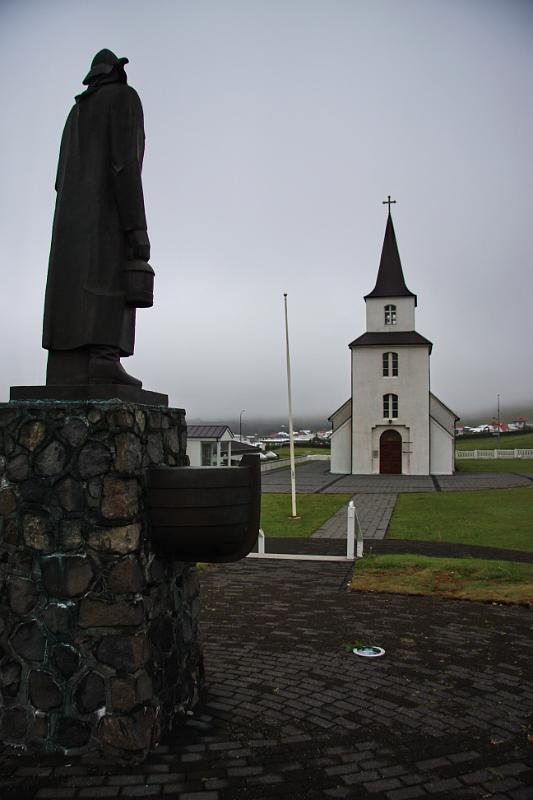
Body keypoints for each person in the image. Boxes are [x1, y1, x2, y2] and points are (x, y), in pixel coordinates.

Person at [42, 49, 150, 386]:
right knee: (109, 278)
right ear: (117, 73)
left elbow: (60, 180)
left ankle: (67, 364)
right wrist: (136, 227)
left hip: (71, 222)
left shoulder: (75, 114)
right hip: (107, 215)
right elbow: (124, 165)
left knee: (74, 283)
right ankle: (102, 358)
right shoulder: (123, 98)